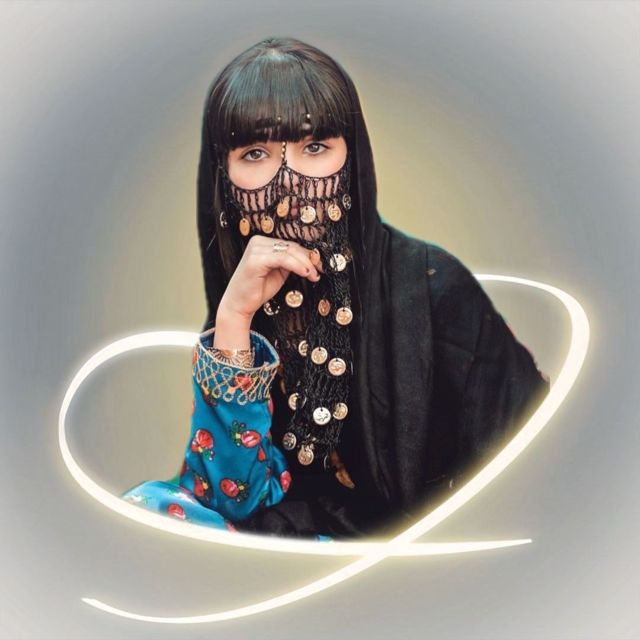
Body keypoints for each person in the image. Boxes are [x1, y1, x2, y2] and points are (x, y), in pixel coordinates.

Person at [121, 36, 551, 541]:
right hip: (293, 544)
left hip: (412, 549)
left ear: (352, 159)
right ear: (223, 177)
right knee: (147, 513)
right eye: (255, 153)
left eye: (315, 147)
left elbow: (527, 468)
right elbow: (231, 499)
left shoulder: (432, 289)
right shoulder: (247, 297)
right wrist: (234, 319)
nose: (287, 182)